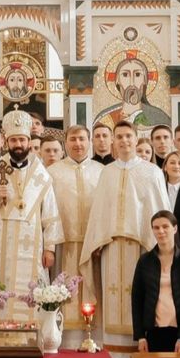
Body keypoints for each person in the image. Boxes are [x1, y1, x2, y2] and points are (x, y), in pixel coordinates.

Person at [83, 122, 170, 343]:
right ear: (114, 140)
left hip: (141, 246)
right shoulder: (107, 172)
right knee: (111, 297)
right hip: (110, 245)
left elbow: (160, 209)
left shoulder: (152, 172)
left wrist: (160, 243)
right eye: (119, 136)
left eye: (128, 136)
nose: (124, 141)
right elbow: (100, 210)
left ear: (136, 138)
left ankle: (140, 343)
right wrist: (96, 239)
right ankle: (112, 349)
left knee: (141, 294)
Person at [0, 110, 59, 297]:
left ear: (29, 141)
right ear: (6, 142)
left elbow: (51, 214)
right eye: (14, 140)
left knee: (32, 292)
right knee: (1, 286)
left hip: (33, 241)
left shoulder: (41, 174)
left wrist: (50, 249)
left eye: (22, 140)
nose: (18, 144)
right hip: (2, 243)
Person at [131, 211, 180, 356]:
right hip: (154, 332)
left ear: (174, 229)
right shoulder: (145, 261)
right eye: (156, 228)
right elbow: (137, 299)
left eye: (165, 226)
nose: (161, 231)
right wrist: (140, 336)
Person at [51, 125, 104, 312]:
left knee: (94, 291)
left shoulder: (102, 171)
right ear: (65, 143)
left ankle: (94, 337)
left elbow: (107, 207)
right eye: (73, 139)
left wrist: (102, 239)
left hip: (94, 246)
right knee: (64, 296)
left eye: (82, 139)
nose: (78, 143)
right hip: (63, 244)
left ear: (90, 142)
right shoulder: (52, 172)